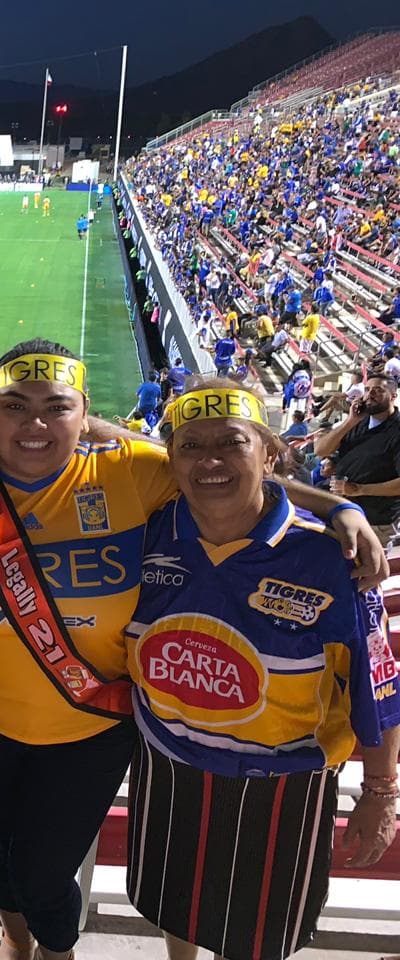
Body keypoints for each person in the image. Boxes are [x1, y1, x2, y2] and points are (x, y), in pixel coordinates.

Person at [0, 347, 384, 960]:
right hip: (2, 723)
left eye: (58, 408)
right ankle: (14, 943)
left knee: (49, 874)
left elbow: (223, 471)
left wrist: (338, 505)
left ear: (84, 414)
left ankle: (55, 952)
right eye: (15, 407)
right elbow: (209, 463)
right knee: (11, 851)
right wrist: (337, 502)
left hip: (109, 732)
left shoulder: (136, 476)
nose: (35, 424)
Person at [125, 380, 400, 960]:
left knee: (258, 936)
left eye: (232, 443)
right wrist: (341, 502)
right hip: (168, 762)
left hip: (283, 782)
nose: (211, 461)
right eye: (190, 446)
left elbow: (378, 687)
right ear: (169, 460)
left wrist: (380, 792)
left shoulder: (333, 558)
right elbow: (90, 432)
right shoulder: (145, 535)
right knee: (177, 905)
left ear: (270, 455)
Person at [315, 373, 400, 542]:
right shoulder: (358, 422)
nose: (370, 394)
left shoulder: (397, 431)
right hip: (342, 509)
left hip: (374, 521)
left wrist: (359, 489)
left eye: (378, 390)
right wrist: (349, 422)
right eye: (367, 390)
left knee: (367, 566)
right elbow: (320, 450)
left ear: (393, 396)